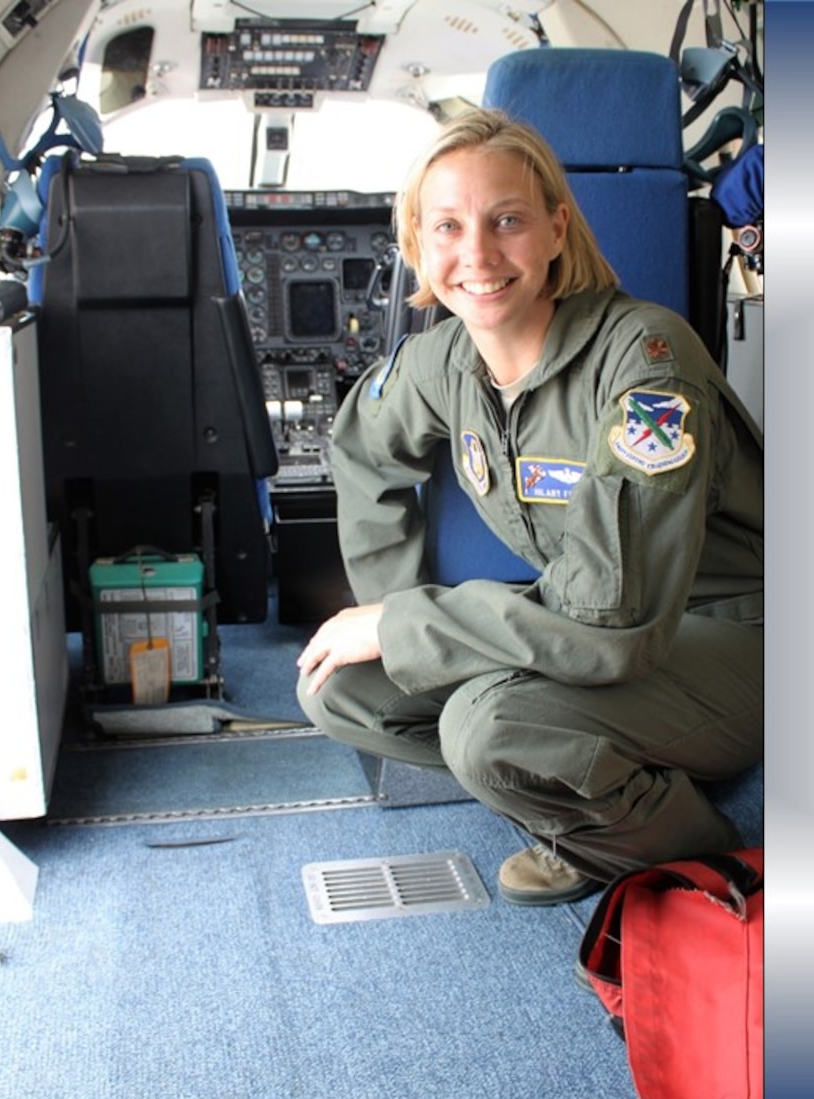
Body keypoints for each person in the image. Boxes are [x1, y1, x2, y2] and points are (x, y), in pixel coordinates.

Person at [295, 108, 764, 906]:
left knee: (488, 726)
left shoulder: (646, 363)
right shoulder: (442, 359)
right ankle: (592, 801)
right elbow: (363, 450)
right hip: (591, 627)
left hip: (731, 638)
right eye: (447, 225)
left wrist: (403, 626)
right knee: (339, 686)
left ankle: (705, 851)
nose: (475, 254)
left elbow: (615, 614)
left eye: (506, 220)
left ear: (554, 228)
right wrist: (389, 606)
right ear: (417, 241)